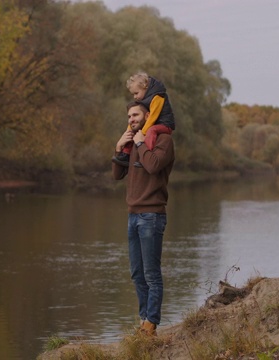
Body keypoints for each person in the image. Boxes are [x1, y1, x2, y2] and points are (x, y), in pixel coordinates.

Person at [112, 101, 175, 336]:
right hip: (133, 215)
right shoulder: (131, 143)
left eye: (136, 114)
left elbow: (152, 165)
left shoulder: (163, 140)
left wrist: (140, 142)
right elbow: (117, 174)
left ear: (147, 115)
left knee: (151, 273)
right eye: (129, 115)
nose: (131, 119)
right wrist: (119, 147)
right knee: (137, 273)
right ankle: (143, 320)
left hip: (152, 215)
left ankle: (151, 323)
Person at [112, 72, 175, 167]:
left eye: (136, 93)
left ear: (145, 87)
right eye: (133, 94)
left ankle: (145, 155)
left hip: (165, 124)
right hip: (154, 123)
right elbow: (117, 176)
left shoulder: (157, 97)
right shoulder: (144, 99)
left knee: (151, 130)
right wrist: (128, 132)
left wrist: (142, 135)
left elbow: (152, 117)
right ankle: (125, 155)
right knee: (133, 132)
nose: (135, 97)